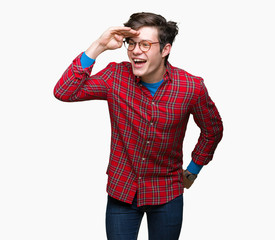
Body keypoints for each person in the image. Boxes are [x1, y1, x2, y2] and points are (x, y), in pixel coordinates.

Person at [54, 12, 223, 240]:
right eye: (131, 43)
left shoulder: (191, 87)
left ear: (165, 50)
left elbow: (212, 130)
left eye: (145, 44)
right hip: (122, 192)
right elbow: (64, 92)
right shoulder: (115, 77)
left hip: (167, 193)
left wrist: (193, 170)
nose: (135, 50)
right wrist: (99, 45)